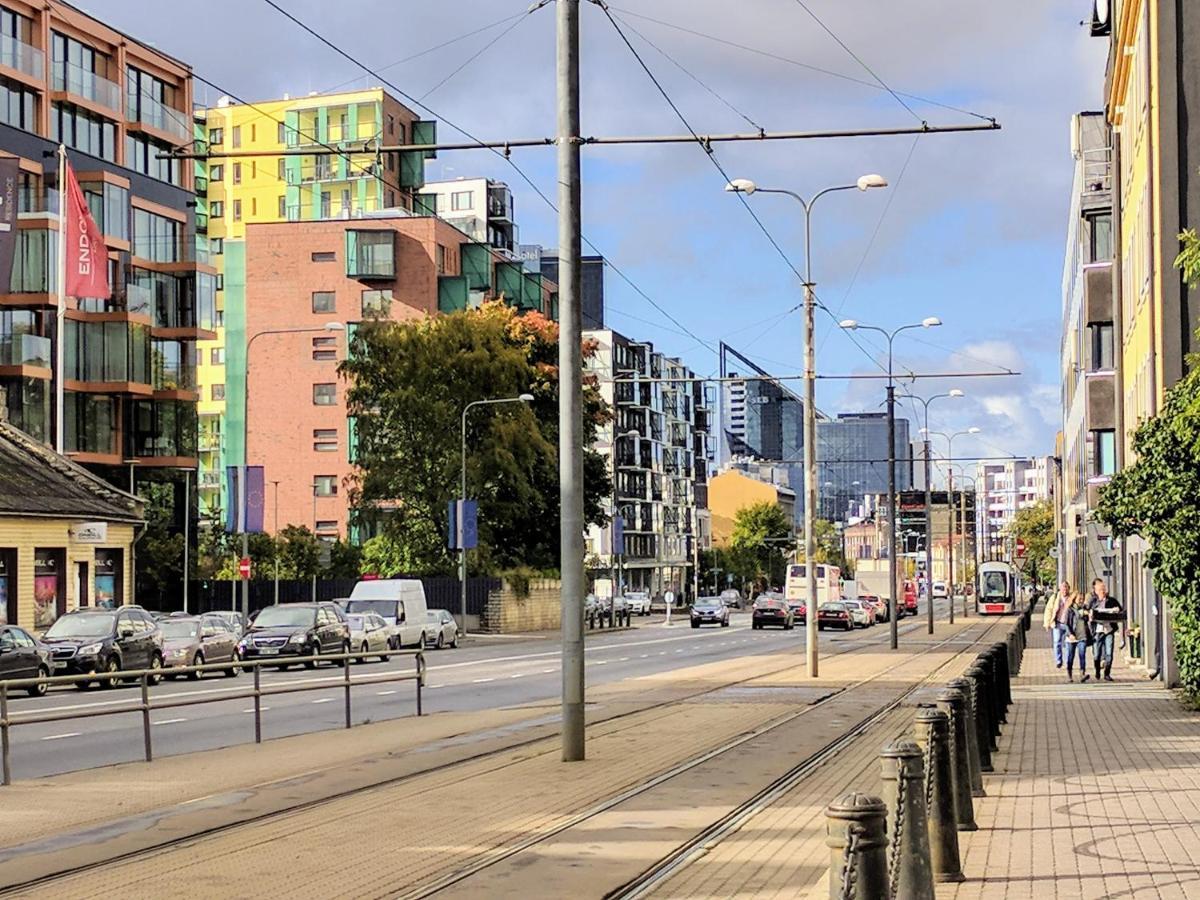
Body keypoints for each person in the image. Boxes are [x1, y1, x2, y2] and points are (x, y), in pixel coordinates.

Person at [1088, 577, 1124, 682]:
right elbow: (1088, 612)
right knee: (1097, 654)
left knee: (1109, 652)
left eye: (1103, 590)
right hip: (1097, 631)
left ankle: (1107, 673)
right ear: (1096, 591)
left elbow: (1119, 610)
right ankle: (1097, 671)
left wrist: (1114, 611)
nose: (1102, 592)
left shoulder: (1112, 600)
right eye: (1100, 590)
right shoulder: (1093, 601)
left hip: (1109, 630)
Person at [1043, 581, 1072, 668]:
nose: (1064, 589)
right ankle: (1059, 661)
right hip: (1057, 623)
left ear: (1068, 588)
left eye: (1066, 587)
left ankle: (1068, 662)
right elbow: (1049, 609)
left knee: (1068, 643)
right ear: (1060, 588)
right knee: (1057, 642)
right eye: (1063, 587)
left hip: (1068, 624)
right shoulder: (1055, 597)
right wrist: (1047, 623)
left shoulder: (1071, 598)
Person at [1064, 591, 1091, 682]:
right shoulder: (1070, 610)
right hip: (1072, 637)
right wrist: (1070, 634)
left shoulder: (1085, 609)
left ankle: (1082, 674)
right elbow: (1066, 624)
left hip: (1082, 636)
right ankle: (1069, 674)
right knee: (1070, 656)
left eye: (1082, 599)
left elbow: (1087, 621)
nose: (1081, 601)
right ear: (1074, 599)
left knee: (1082, 655)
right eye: (1079, 599)